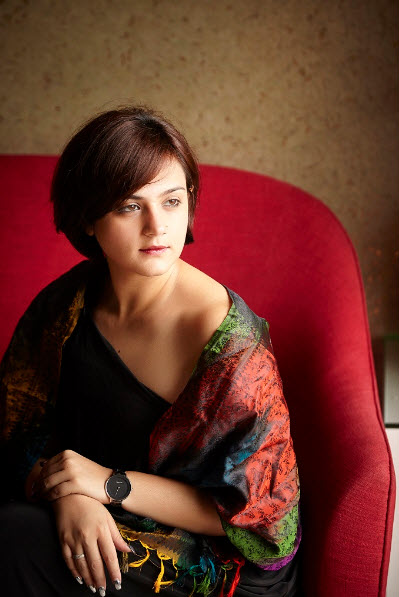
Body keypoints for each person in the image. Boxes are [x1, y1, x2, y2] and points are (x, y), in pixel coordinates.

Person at [0, 106, 301, 596]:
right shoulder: (65, 305)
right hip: (95, 511)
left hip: (216, 564)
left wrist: (108, 485)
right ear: (89, 218)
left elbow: (259, 519)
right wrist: (70, 496)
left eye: (172, 201)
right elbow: (14, 436)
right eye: (129, 206)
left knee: (11, 537)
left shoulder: (228, 343)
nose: (157, 226)